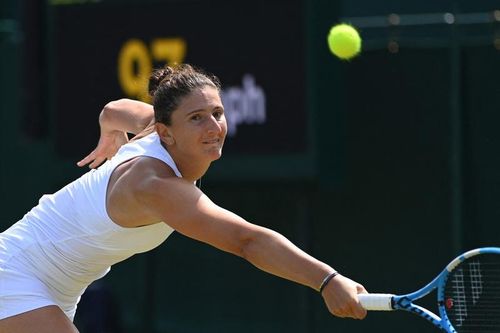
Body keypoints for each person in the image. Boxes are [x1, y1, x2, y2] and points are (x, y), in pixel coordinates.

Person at [0, 64, 367, 333]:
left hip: (60, 288)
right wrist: (327, 280)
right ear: (166, 132)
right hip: (15, 272)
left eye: (217, 113)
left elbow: (112, 110)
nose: (213, 127)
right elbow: (246, 240)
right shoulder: (155, 186)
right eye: (196, 118)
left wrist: (109, 132)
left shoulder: (157, 127)